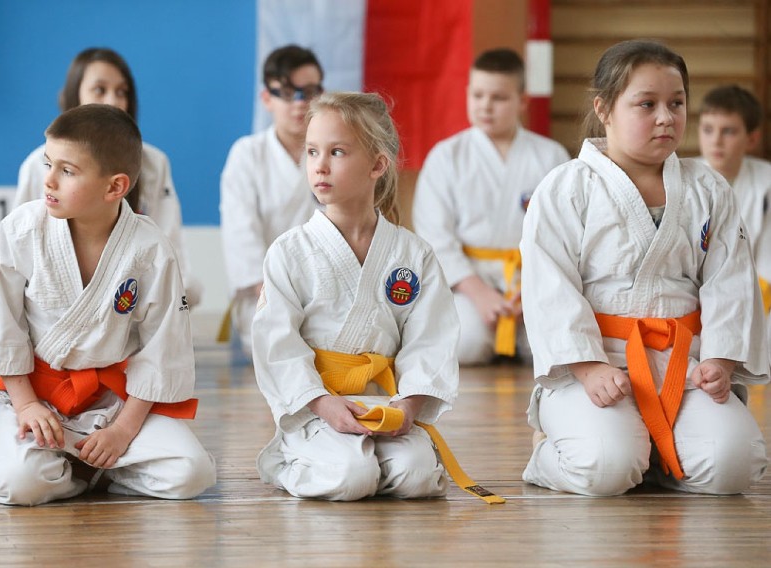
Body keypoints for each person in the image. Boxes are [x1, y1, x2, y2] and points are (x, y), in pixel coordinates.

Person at [0, 105, 216, 505]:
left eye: (67, 171)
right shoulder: (22, 230)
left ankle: (93, 463)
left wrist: (122, 431)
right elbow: (1, 324)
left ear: (114, 187)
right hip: (37, 396)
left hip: (114, 402)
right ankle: (86, 470)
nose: (49, 180)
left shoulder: (150, 250)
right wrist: (25, 405)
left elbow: (162, 350)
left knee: (192, 473)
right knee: (19, 485)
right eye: (48, 163)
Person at [520, 39, 768, 497]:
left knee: (735, 464)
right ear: (605, 109)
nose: (665, 117)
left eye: (677, 103)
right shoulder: (566, 187)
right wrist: (589, 367)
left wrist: (720, 358)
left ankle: (654, 457)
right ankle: (549, 455)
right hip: (597, 367)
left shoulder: (707, 188)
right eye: (646, 104)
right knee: (605, 467)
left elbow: (729, 280)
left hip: (683, 363)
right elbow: (547, 287)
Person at [252, 92, 461, 502]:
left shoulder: (412, 254)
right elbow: (276, 341)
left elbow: (430, 338)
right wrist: (321, 402)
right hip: (318, 405)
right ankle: (288, 459)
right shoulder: (290, 251)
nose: (320, 165)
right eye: (312, 151)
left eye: (337, 152)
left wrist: (410, 406)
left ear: (377, 165)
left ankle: (364, 459)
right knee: (351, 478)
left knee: (418, 477)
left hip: (384, 404)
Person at [413, 48, 569, 366]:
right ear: (467, 94)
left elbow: (564, 233)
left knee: (557, 349)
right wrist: (478, 292)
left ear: (522, 101)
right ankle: (488, 332)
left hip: (532, 282)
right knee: (465, 343)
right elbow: (435, 237)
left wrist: (530, 290)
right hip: (470, 283)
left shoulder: (550, 156)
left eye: (498, 97)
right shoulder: (447, 156)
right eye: (478, 95)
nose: (485, 105)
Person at [14, 47, 202, 307]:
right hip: (57, 306)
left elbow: (169, 245)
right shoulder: (37, 165)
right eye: (100, 90)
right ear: (74, 96)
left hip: (131, 299)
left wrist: (175, 297)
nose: (113, 101)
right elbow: (20, 252)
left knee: (183, 293)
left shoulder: (153, 164)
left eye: (122, 92)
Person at [219, 45, 322, 356]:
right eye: (288, 93)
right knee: (283, 347)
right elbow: (242, 237)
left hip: (326, 291)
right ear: (267, 99)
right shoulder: (247, 155)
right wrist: (280, 296)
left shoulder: (336, 151)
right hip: (263, 295)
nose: (300, 103)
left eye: (310, 91)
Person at [695, 85, 771, 316]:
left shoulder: (767, 183)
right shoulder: (683, 180)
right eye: (708, 130)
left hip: (758, 299)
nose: (716, 140)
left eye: (728, 131)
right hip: (697, 301)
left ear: (752, 138)